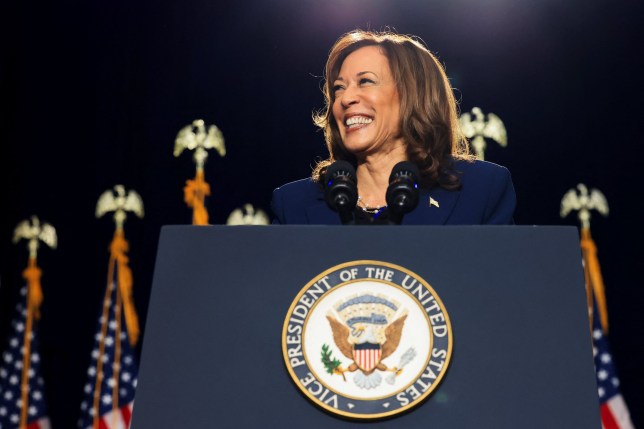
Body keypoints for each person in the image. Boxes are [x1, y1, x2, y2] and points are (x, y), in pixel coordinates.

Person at [271, 29, 516, 225]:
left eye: (365, 81)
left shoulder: (481, 190)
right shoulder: (293, 205)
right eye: (339, 88)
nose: (345, 99)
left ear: (414, 95)